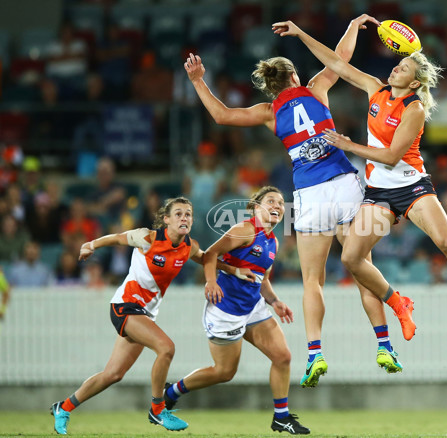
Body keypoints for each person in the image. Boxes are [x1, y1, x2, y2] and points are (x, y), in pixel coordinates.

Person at [184, 14, 403, 389]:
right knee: (360, 264)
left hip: (311, 195)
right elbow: (340, 58)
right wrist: (353, 26)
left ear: (271, 86)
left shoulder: (269, 113)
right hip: (344, 182)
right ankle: (384, 345)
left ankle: (315, 352)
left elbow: (221, 116)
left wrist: (198, 81)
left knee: (312, 281)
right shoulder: (316, 88)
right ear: (295, 78)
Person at [273, 19, 447, 336]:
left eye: (404, 69)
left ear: (415, 83)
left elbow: (392, 156)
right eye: (398, 64)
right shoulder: (374, 87)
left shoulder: (414, 108)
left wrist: (349, 145)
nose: (395, 69)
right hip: (378, 193)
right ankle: (399, 305)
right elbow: (336, 62)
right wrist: (300, 34)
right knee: (351, 258)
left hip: (412, 187)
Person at [49, 197, 254, 434]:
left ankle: (62, 408)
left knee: (113, 374)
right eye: (178, 214)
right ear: (166, 219)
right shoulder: (148, 237)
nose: (184, 218)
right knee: (166, 348)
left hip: (144, 314)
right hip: (124, 306)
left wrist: (234, 269)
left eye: (188, 214)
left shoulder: (189, 246)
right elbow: (116, 238)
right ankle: (157, 409)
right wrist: (91, 244)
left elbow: (207, 258)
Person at [163, 186, 310, 435]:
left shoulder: (272, 241)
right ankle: (171, 392)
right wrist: (210, 281)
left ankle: (281, 417)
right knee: (224, 372)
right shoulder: (245, 230)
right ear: (255, 207)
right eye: (270, 201)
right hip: (226, 311)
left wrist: (274, 301)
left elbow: (262, 279)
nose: (277, 206)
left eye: (281, 203)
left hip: (253, 307)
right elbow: (210, 254)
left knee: (282, 357)